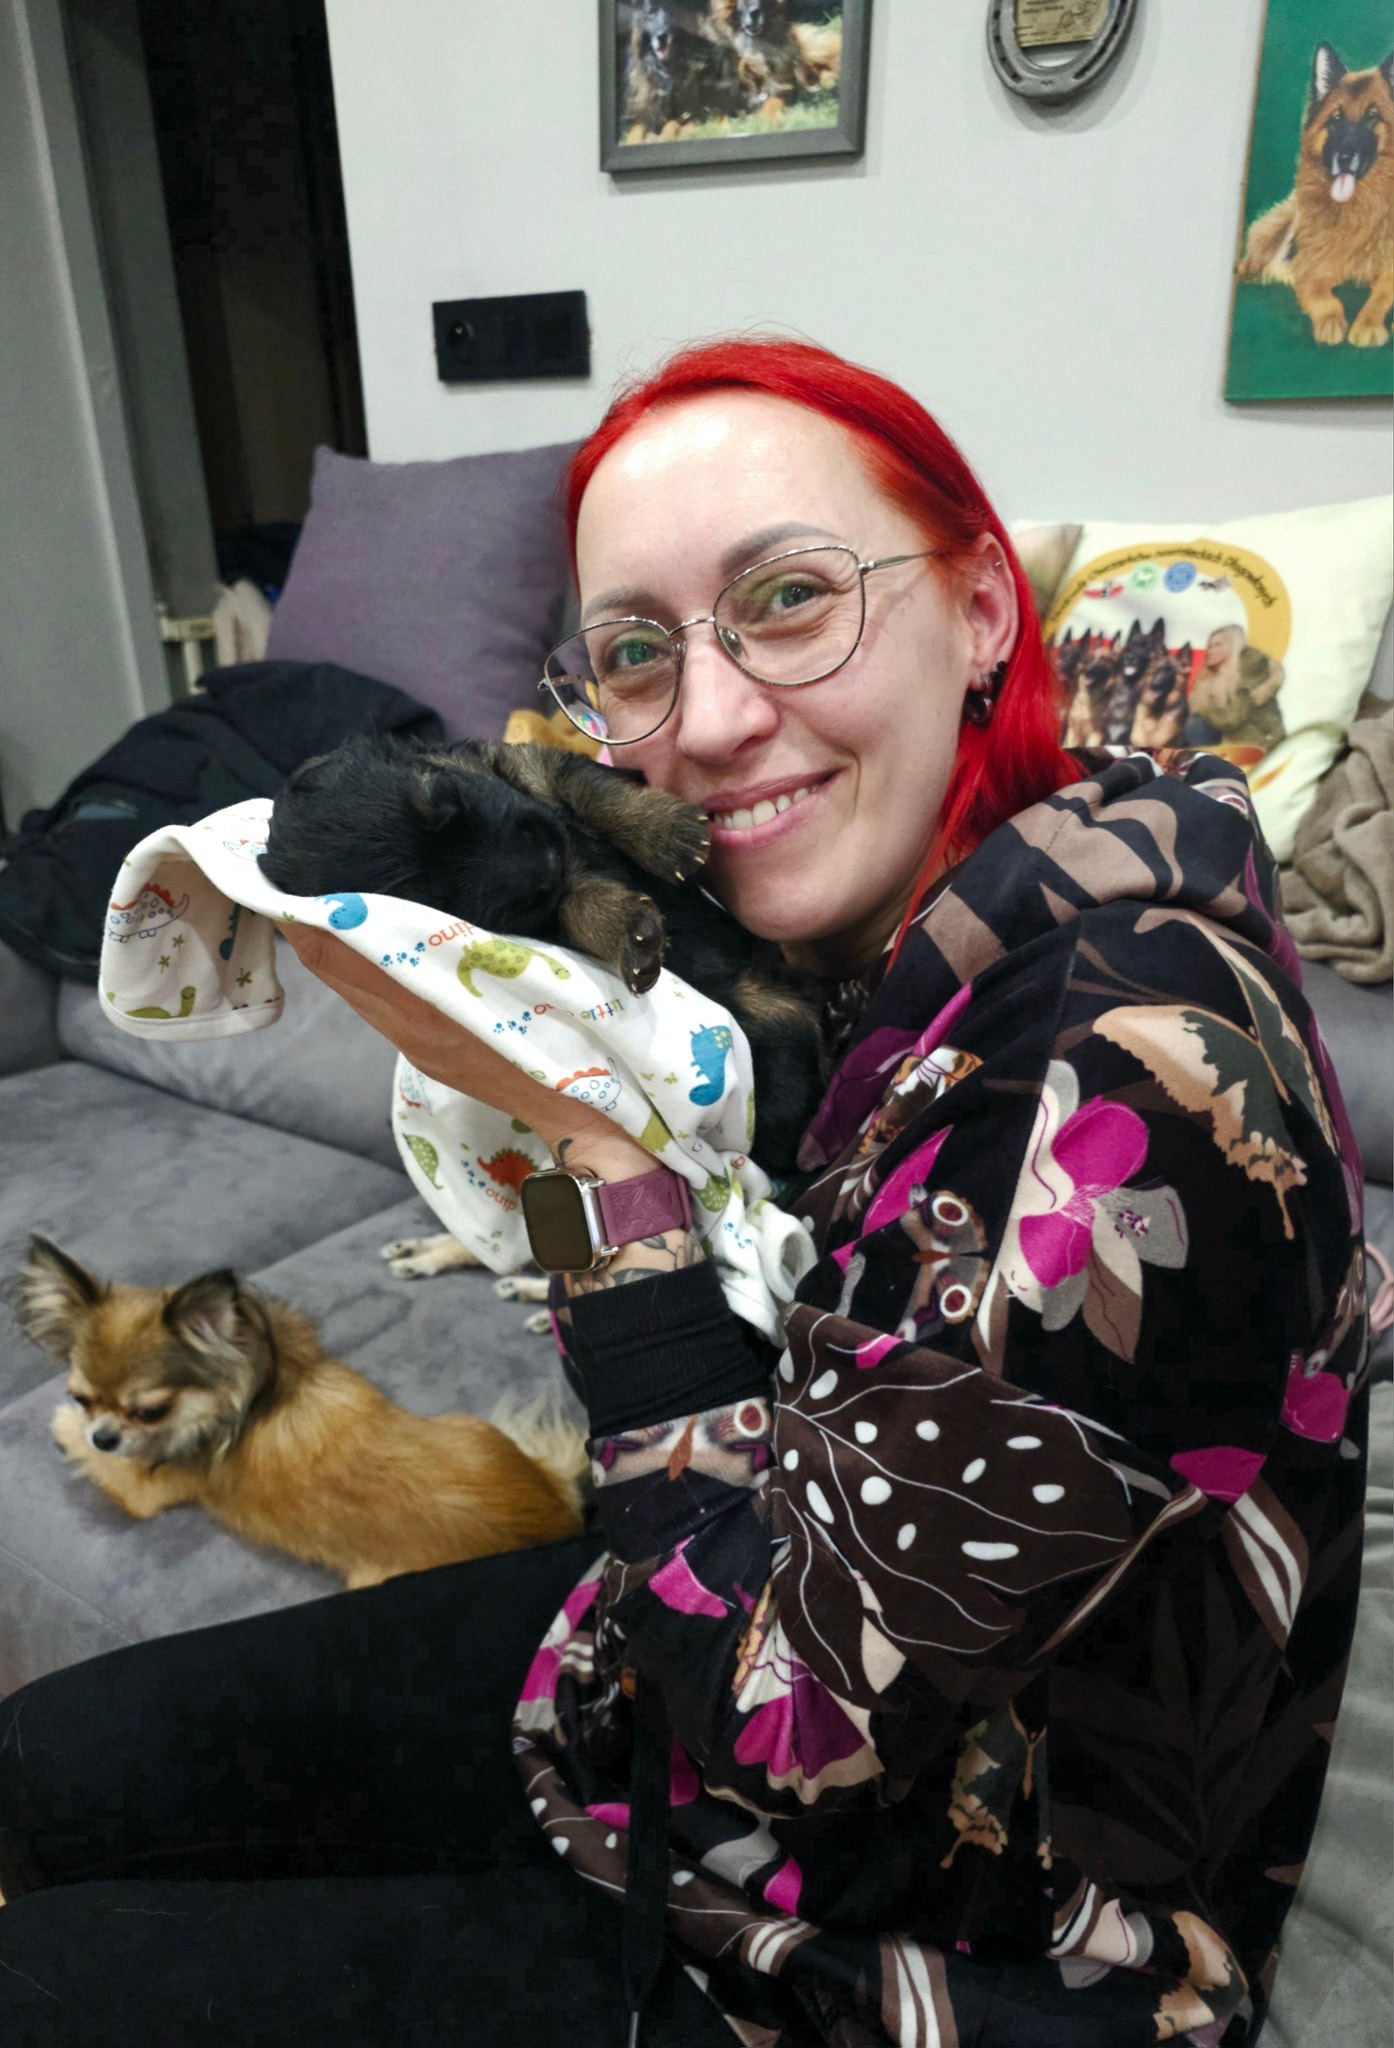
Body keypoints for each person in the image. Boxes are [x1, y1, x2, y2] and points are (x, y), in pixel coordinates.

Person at [0, 339, 1366, 2048]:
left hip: (919, 1934)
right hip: (673, 1651)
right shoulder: (865, 957)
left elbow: (787, 1732)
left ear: (980, 608)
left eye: (790, 600)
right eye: (638, 651)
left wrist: (583, 1148)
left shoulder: (1121, 1072)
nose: (708, 726)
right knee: (51, 1763)